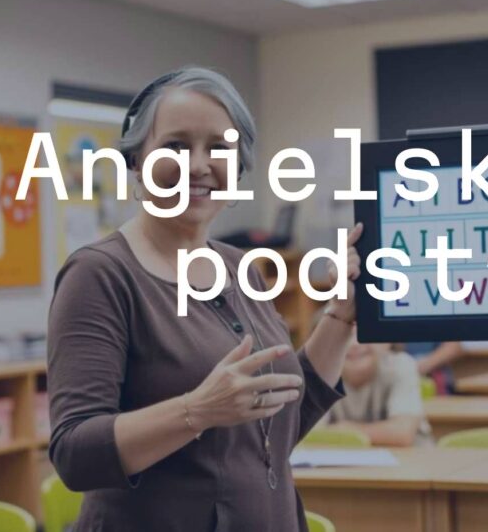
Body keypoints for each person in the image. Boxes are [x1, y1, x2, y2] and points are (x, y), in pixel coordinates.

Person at [48, 67, 363, 531]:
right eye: (176, 146)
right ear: (136, 161)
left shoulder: (242, 268)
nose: (198, 165)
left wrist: (341, 316)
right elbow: (75, 455)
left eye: (218, 147)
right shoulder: (99, 275)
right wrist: (197, 410)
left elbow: (280, 423)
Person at [322, 336, 432, 447]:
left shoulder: (401, 365)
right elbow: (314, 431)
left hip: (412, 456)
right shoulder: (322, 372)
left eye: (364, 334)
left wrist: (343, 430)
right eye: (346, 335)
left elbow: (403, 432)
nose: (354, 344)